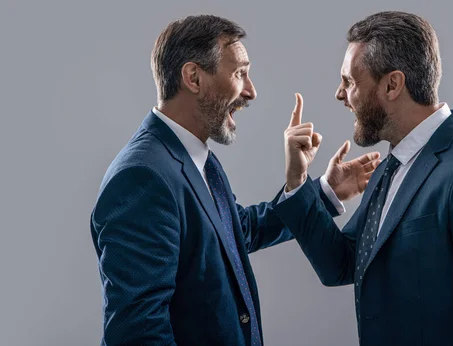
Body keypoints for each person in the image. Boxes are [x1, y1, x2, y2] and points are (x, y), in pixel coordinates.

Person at [89, 14, 379, 346]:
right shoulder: (142, 177)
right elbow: (137, 335)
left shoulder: (198, 159)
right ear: (193, 78)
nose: (251, 91)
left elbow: (239, 230)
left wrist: (320, 190)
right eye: (240, 73)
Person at [275, 11, 453, 345]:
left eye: (350, 82)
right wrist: (298, 181)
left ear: (392, 85)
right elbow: (341, 264)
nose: (340, 95)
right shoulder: (391, 166)